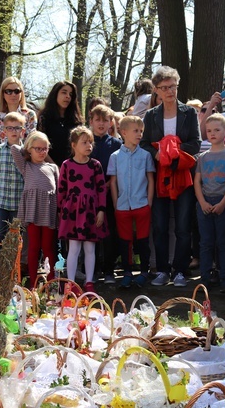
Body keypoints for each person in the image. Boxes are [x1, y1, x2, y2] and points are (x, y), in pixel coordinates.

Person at [140, 65, 201, 287]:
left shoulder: (189, 112)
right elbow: (144, 144)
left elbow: (196, 143)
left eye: (173, 86)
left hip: (183, 175)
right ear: (156, 90)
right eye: (164, 88)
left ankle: (180, 271)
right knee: (160, 225)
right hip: (159, 177)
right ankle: (163, 270)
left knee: (184, 226)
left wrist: (173, 152)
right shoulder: (150, 115)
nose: (170, 91)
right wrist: (158, 153)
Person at [58, 127, 108, 294]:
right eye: (84, 142)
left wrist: (101, 210)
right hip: (72, 212)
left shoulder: (95, 165)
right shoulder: (66, 165)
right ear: (74, 145)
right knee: (74, 248)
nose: (89, 146)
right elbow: (62, 189)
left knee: (89, 248)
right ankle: (70, 283)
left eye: (90, 142)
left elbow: (102, 189)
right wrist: (61, 210)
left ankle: (89, 282)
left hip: (90, 212)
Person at [108, 116, 155, 288]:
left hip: (141, 204)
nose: (139, 134)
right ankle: (127, 272)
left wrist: (148, 202)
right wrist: (115, 203)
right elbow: (113, 181)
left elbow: (150, 179)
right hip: (122, 206)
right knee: (125, 241)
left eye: (141, 131)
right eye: (136, 131)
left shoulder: (145, 155)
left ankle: (144, 271)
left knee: (143, 240)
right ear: (124, 132)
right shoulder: (115, 156)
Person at [11, 132, 60, 288]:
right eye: (37, 148)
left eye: (45, 148)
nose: (41, 152)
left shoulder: (53, 167)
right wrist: (27, 147)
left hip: (48, 210)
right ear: (29, 150)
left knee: (48, 248)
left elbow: (58, 190)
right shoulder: (26, 166)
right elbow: (14, 148)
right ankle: (32, 283)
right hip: (32, 210)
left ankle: (52, 282)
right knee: (33, 247)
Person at [194, 113, 225, 293]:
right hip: (205, 203)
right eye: (209, 130)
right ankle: (205, 278)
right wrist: (202, 202)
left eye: (217, 130)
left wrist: (223, 203)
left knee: (223, 242)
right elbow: (197, 181)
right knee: (206, 242)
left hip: (223, 203)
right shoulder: (202, 157)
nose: (212, 133)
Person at [89, 104, 122, 284]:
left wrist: (110, 183)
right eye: (98, 120)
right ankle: (92, 270)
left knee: (110, 234)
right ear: (91, 121)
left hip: (110, 193)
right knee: (91, 234)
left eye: (105, 120)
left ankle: (109, 269)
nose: (101, 124)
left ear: (111, 123)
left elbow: (119, 168)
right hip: (90, 195)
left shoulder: (116, 144)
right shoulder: (86, 142)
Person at [0, 112, 26, 248]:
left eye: (17, 128)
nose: (13, 131)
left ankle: (15, 266)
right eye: (10, 128)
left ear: (23, 130)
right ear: (4, 131)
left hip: (18, 202)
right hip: (0, 201)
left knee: (16, 235)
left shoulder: (26, 152)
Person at [38, 81, 84, 166]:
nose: (67, 96)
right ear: (55, 94)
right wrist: (56, 168)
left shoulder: (76, 121)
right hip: (49, 167)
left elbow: (80, 146)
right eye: (64, 92)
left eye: (70, 94)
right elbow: (40, 146)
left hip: (73, 168)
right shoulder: (44, 118)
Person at [0, 77, 37, 156]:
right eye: (9, 91)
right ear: (3, 94)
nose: (13, 94)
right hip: (1, 161)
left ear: (21, 94)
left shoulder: (29, 115)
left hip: (23, 160)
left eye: (17, 91)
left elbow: (31, 141)